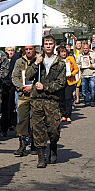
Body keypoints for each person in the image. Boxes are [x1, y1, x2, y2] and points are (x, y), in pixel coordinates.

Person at [26, 35, 66, 168]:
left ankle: (53, 147)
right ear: (43, 46)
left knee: (53, 129)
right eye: (46, 44)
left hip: (52, 100)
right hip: (37, 99)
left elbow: (61, 83)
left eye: (50, 43)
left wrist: (46, 87)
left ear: (54, 45)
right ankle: (41, 156)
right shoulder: (38, 60)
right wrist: (36, 63)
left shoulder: (60, 63)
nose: (48, 46)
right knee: (38, 129)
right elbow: (27, 75)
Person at [12, 46, 37, 156]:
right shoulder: (19, 61)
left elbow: (43, 78)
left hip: (36, 95)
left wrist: (33, 88)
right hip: (22, 94)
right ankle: (22, 144)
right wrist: (22, 87)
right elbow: (14, 77)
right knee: (22, 120)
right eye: (26, 49)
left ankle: (35, 144)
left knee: (35, 120)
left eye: (30, 49)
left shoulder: (39, 60)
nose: (28, 51)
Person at [57, 46, 79, 123]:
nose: (63, 53)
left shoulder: (70, 58)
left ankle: (68, 115)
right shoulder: (57, 60)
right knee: (61, 98)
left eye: (64, 52)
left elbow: (76, 68)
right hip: (60, 82)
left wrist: (72, 74)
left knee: (68, 98)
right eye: (62, 52)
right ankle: (62, 114)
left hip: (69, 81)